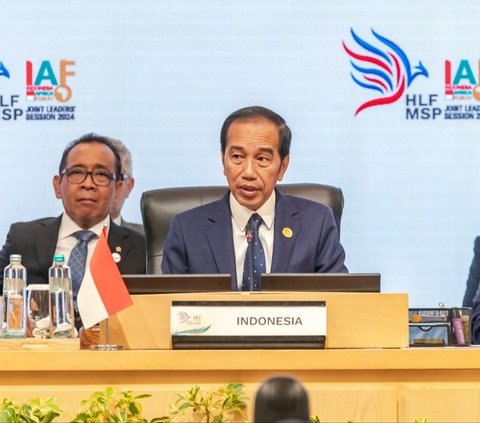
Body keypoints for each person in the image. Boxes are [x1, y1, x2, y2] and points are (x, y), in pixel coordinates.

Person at [161, 106, 347, 290]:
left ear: (283, 166)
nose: (248, 172)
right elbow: (169, 309)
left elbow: (340, 303)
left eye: (262, 159)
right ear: (223, 160)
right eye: (237, 157)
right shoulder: (187, 229)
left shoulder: (316, 223)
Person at [0, 133, 146, 290]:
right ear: (57, 185)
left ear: (117, 189)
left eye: (101, 175)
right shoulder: (23, 238)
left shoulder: (141, 248)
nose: (88, 184)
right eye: (77, 173)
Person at [108, 137, 144, 235]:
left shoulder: (147, 240)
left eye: (118, 177)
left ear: (130, 186)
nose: (110, 185)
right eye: (101, 175)